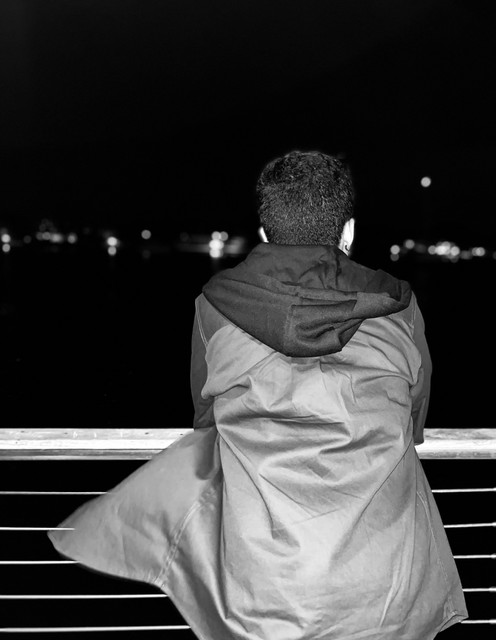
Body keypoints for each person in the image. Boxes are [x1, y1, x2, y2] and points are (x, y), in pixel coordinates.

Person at [49, 150, 467, 639]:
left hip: (262, 583)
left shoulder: (215, 306)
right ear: (349, 231)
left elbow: (206, 419)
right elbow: (414, 416)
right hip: (383, 583)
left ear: (265, 232)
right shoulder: (398, 306)